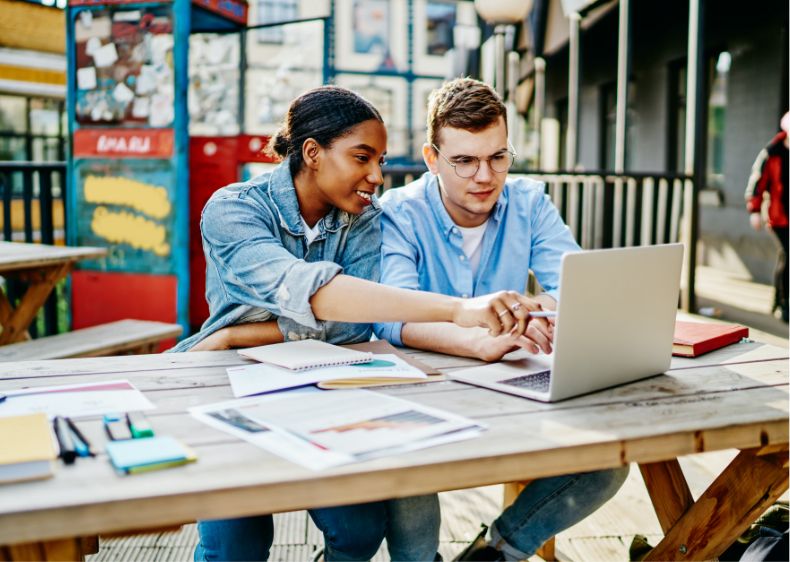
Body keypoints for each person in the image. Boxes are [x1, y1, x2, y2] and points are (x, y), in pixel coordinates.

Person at [171, 85, 544, 561]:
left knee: (361, 528)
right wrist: (456, 309)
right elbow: (313, 292)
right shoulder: (234, 209)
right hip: (230, 391)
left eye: (381, 161)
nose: (376, 176)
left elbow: (353, 327)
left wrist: (232, 335)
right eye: (362, 157)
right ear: (312, 153)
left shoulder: (363, 219)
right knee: (234, 546)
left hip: (320, 392)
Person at [373, 77, 629, 561]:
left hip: (515, 383)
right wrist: (485, 332)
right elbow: (392, 314)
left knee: (607, 460)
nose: (485, 176)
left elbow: (575, 288)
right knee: (409, 463)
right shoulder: (397, 214)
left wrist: (523, 314)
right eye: (464, 161)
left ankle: (495, 553)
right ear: (432, 159)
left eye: (497, 157)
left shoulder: (529, 201)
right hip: (425, 392)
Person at [746, 112, 789, 323]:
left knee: (785, 257)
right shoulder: (772, 152)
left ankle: (777, 300)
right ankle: (784, 304)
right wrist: (754, 211)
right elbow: (757, 183)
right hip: (778, 216)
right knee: (788, 254)